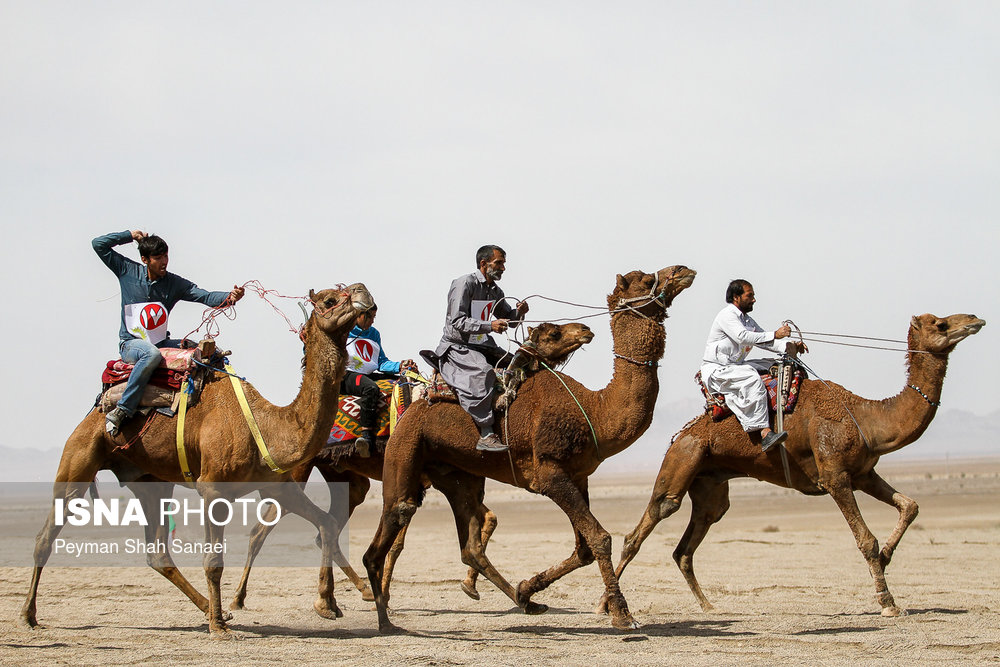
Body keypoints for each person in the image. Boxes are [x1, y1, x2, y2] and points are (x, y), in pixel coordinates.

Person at [94, 230, 244, 436]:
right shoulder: (126, 270)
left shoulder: (173, 283)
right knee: (151, 354)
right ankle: (123, 409)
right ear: (145, 259)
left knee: (200, 349)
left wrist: (230, 297)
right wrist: (130, 235)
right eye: (158, 257)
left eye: (166, 255)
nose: (164, 261)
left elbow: (205, 296)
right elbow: (98, 244)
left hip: (161, 342)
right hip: (131, 345)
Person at [432, 245, 529, 452]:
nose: (503, 268)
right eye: (499, 263)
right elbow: (457, 321)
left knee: (521, 365)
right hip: (458, 346)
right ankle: (486, 432)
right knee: (483, 373)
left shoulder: (495, 291)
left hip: (483, 344)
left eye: (504, 263)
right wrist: (489, 326)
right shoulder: (464, 283)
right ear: (484, 264)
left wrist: (519, 314)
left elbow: (509, 321)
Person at [700, 279, 807, 452]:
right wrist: (776, 334)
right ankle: (765, 433)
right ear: (736, 297)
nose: (754, 299)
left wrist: (790, 346)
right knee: (752, 377)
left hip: (735, 366)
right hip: (717, 370)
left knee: (775, 364)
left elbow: (765, 341)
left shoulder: (747, 321)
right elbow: (743, 337)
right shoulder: (727, 316)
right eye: (750, 296)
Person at [342, 303, 417, 456]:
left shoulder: (374, 334)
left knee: (401, 382)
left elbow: (381, 362)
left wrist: (401, 366)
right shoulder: (343, 331)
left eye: (374, 317)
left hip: (367, 374)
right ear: (360, 315)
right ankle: (366, 436)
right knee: (370, 388)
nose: (373, 321)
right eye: (371, 317)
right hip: (346, 375)